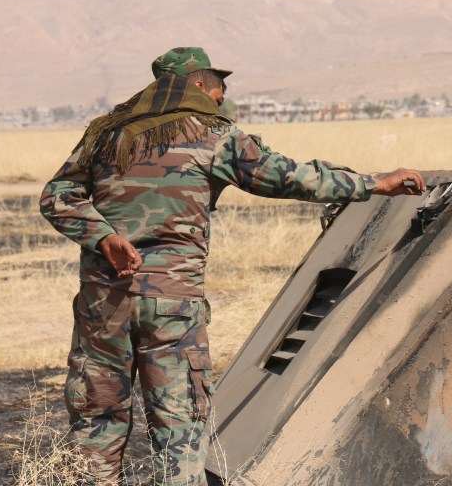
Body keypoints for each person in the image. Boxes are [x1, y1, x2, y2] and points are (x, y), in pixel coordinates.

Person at [40, 47, 425, 485]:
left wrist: (103, 237)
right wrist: (375, 183)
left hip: (102, 306)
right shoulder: (213, 134)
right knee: (179, 430)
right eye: (220, 85)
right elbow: (289, 177)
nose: (222, 96)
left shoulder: (107, 134)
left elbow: (57, 196)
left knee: (97, 424)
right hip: (172, 307)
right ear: (199, 84)